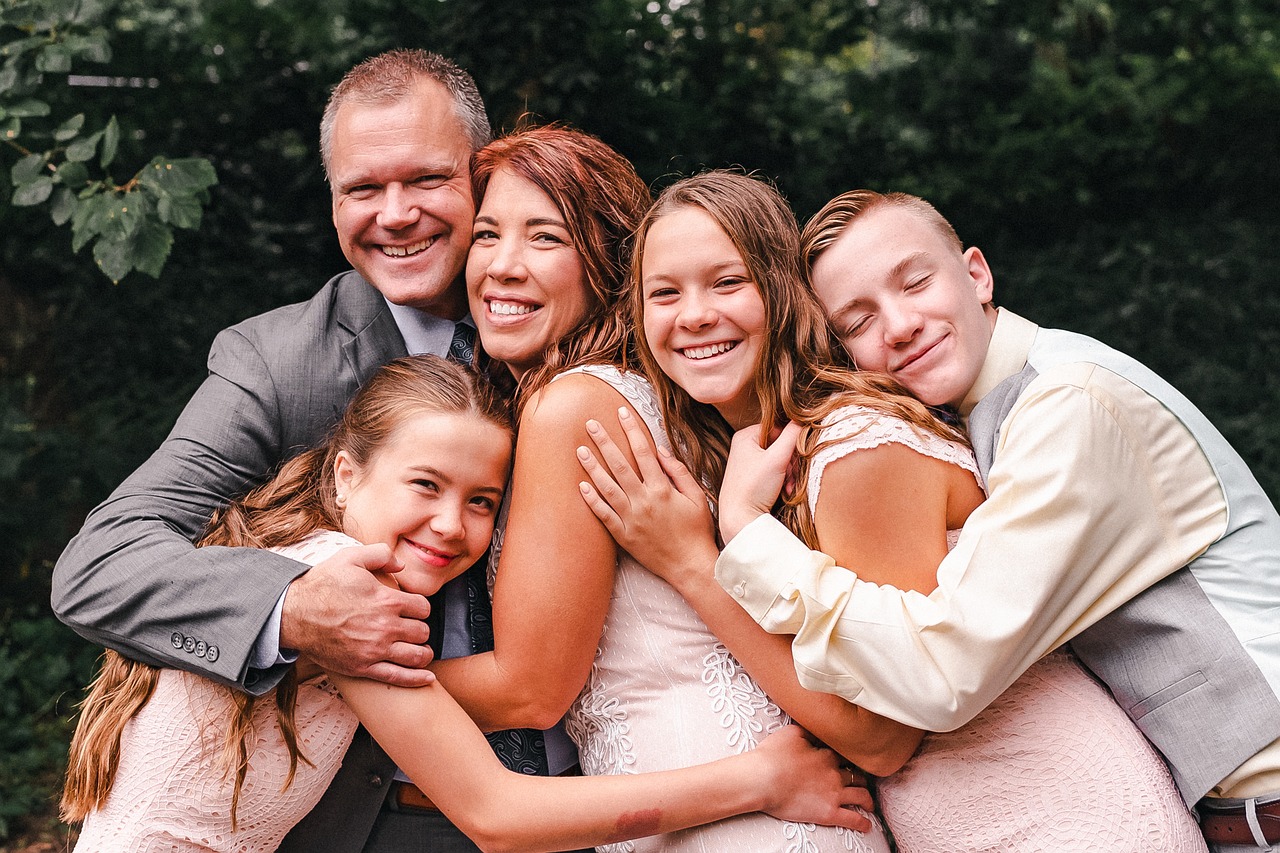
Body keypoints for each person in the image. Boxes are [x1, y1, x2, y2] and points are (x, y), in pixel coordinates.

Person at [590, 185, 1280, 852]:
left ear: (977, 273)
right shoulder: (962, 412)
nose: (899, 326)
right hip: (1213, 809)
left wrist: (738, 536)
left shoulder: (1068, 406)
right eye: (857, 321)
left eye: (915, 283)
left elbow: (942, 674)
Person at [60, 355, 872, 853]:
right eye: (425, 484)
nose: (452, 525)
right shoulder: (349, 592)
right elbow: (500, 814)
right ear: (346, 474)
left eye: (481, 500)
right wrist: (758, 778)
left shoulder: (295, 565)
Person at [50, 49, 548, 852]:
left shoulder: (569, 322)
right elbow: (99, 565)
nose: (395, 214)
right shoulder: (278, 362)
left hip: (581, 788)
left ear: (480, 175)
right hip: (363, 821)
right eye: (362, 189)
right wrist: (292, 610)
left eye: (426, 179)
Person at [419, 131, 886, 852]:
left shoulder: (575, 405)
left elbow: (530, 688)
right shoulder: (660, 394)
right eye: (487, 234)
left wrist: (333, 670)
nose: (504, 264)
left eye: (545, 236)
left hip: (730, 820)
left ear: (609, 264)